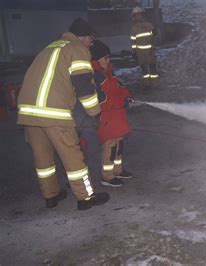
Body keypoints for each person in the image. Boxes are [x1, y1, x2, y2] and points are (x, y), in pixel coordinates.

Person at [17, 18, 110, 210]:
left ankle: (51, 195)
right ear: (83, 37)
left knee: (42, 156)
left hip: (28, 111)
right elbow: (84, 86)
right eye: (91, 40)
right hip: (53, 112)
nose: (92, 44)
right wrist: (95, 112)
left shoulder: (51, 47)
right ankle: (85, 198)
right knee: (72, 156)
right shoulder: (77, 49)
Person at [90, 40, 135, 187]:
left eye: (108, 57)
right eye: (105, 58)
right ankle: (107, 176)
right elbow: (102, 101)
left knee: (119, 143)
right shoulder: (96, 76)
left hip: (117, 117)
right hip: (107, 118)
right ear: (96, 59)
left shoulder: (108, 73)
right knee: (110, 146)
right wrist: (122, 102)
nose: (108, 60)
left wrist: (127, 96)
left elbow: (120, 87)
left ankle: (118, 170)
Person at [130, 6, 160, 88]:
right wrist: (133, 51)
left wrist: (155, 32)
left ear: (143, 15)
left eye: (140, 15)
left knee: (152, 66)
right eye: (136, 15)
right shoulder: (134, 28)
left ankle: (155, 83)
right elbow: (133, 40)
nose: (138, 17)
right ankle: (147, 83)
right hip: (140, 52)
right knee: (144, 68)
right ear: (134, 17)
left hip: (149, 51)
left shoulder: (149, 25)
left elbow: (156, 37)